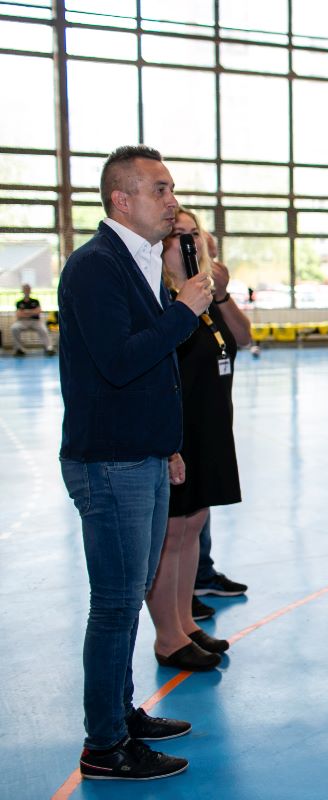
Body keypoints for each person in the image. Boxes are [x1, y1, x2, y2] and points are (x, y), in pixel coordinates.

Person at [59, 145, 214, 781]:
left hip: (141, 454)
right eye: (159, 190)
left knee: (126, 597)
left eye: (171, 189)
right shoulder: (96, 267)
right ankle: (104, 745)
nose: (171, 202)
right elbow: (120, 362)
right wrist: (185, 311)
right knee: (116, 604)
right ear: (122, 200)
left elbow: (149, 370)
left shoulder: (139, 261)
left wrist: (166, 442)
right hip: (110, 462)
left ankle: (119, 715)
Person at [145, 206, 251, 674]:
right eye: (179, 234)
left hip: (211, 426)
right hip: (178, 430)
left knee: (193, 526)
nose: (189, 241)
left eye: (195, 233)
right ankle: (167, 636)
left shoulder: (204, 295)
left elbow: (241, 339)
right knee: (170, 532)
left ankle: (185, 622)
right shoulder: (158, 295)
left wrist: (221, 294)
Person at [192, 229, 251, 617]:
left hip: (214, 418)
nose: (212, 262)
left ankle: (201, 573)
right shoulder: (175, 298)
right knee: (180, 517)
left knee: (199, 508)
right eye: (203, 252)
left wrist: (223, 294)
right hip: (185, 421)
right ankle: (179, 597)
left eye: (214, 254)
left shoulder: (212, 299)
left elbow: (244, 337)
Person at [10, 283, 55, 356]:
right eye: (25, 289)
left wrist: (25, 312)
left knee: (43, 329)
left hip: (35, 321)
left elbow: (38, 312)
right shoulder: (19, 302)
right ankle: (19, 349)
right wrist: (32, 312)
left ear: (30, 290)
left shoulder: (35, 301)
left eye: (28, 289)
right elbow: (18, 314)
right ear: (23, 291)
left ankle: (49, 348)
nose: (26, 291)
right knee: (14, 328)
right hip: (22, 321)